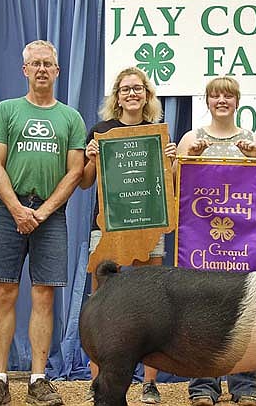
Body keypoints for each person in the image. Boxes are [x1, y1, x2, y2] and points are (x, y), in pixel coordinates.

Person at [0, 40, 86, 406]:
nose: (42, 69)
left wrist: (41, 212)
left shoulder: (71, 118)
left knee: (44, 294)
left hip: (50, 216)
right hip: (9, 213)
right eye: (35, 64)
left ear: (58, 71)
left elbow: (75, 172)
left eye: (48, 64)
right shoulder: (7, 110)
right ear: (25, 70)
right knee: (5, 292)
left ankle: (39, 380)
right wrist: (17, 210)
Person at [175, 76, 256, 406]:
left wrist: (253, 162)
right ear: (207, 102)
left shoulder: (254, 140)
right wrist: (187, 158)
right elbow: (178, 187)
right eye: (215, 96)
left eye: (228, 96)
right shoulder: (191, 138)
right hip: (201, 248)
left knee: (244, 313)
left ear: (237, 102)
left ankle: (245, 386)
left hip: (243, 247)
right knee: (199, 314)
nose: (222, 101)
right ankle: (202, 387)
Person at [81, 66, 176, 404]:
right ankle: (100, 382)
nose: (132, 94)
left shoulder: (157, 133)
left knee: (153, 301)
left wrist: (171, 163)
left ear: (147, 95)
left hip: (150, 224)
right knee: (101, 302)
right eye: (125, 89)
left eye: (138, 89)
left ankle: (149, 383)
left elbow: (170, 187)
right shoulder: (101, 131)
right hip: (109, 228)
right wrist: (90, 159)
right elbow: (84, 182)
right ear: (116, 96)